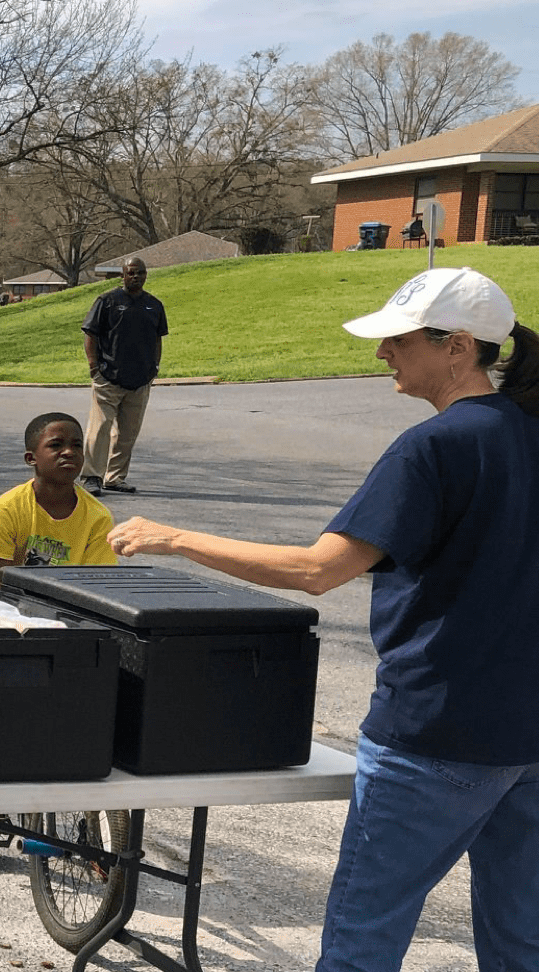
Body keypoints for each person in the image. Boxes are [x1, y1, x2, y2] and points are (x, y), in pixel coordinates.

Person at [107, 266, 539, 972]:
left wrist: (172, 537)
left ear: (456, 346)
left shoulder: (433, 447)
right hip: (526, 737)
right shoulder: (521, 432)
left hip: (434, 734)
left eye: (397, 340)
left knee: (363, 937)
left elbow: (315, 571)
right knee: (520, 939)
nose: (381, 355)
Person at [0, 411, 118, 874]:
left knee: (88, 714)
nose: (68, 452)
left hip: (70, 623)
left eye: (75, 444)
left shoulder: (96, 516)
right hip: (12, 622)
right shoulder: (6, 510)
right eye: (56, 445)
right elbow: (3, 582)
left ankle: (91, 822)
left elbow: (97, 587)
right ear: (32, 457)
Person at [81, 256, 168, 496]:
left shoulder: (154, 305)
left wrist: (155, 368)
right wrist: (94, 367)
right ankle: (92, 477)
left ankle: (115, 478)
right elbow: (90, 334)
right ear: (123, 275)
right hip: (108, 378)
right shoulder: (107, 301)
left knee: (128, 433)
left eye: (139, 272)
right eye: (130, 273)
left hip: (140, 380)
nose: (135, 276)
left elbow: (158, 338)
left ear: (146, 275)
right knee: (100, 429)